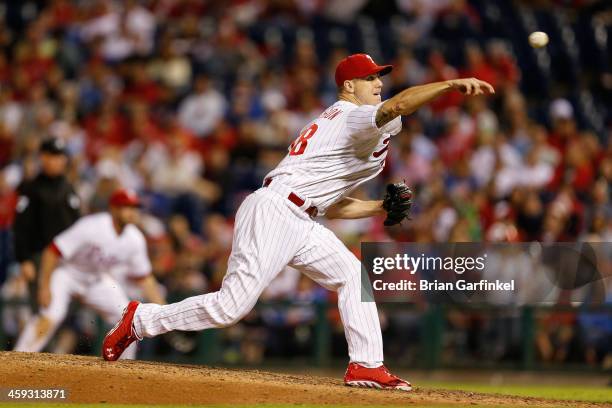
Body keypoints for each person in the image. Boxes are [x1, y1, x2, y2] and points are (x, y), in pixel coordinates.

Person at [102, 53, 494, 389]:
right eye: (370, 77)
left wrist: (378, 209)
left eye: (380, 77)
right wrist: (450, 85)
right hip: (276, 210)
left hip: (300, 216)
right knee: (230, 308)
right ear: (348, 86)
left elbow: (331, 205)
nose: (377, 83)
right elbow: (398, 106)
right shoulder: (351, 115)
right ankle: (142, 319)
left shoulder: (354, 128)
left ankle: (367, 364)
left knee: (352, 276)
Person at [14, 188, 165, 359]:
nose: (132, 212)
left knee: (128, 320)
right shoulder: (93, 226)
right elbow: (53, 251)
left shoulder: (135, 239)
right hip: (68, 274)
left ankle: (123, 371)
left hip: (97, 280)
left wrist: (163, 309)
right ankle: (16, 360)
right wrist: (44, 286)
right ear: (114, 209)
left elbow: (144, 278)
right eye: (126, 207)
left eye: (134, 207)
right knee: (50, 316)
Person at [12, 138, 80, 311]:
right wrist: (24, 258)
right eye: (52, 156)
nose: (57, 161)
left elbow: (77, 226)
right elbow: (20, 226)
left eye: (60, 156)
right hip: (39, 257)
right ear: (42, 158)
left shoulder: (68, 188)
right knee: (43, 310)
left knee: (65, 313)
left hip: (66, 258)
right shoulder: (31, 188)